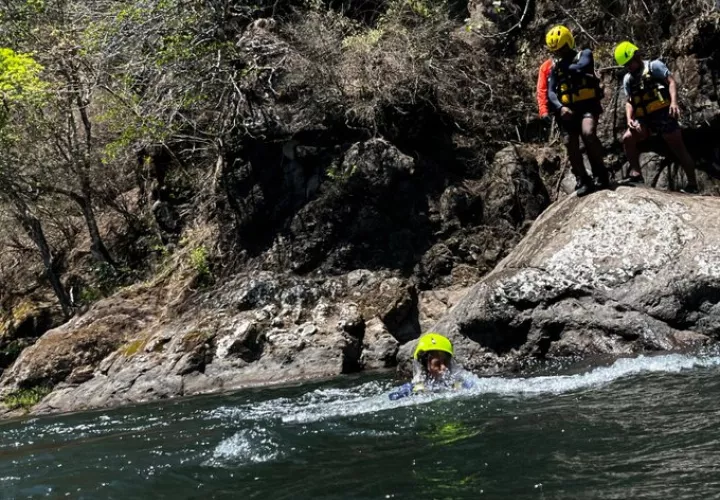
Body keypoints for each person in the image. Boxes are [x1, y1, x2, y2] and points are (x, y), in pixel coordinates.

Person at [614, 41, 699, 193]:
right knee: (627, 138)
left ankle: (692, 185)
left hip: (663, 114)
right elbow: (629, 102)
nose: (628, 67)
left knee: (679, 149)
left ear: (636, 55)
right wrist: (629, 120)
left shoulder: (655, 66)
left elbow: (671, 82)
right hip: (644, 119)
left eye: (629, 63)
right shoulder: (628, 79)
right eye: (625, 65)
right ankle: (636, 174)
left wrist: (674, 103)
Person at [546, 25, 610, 196]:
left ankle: (601, 173)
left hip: (587, 106)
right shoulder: (554, 68)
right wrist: (560, 107)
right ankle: (582, 178)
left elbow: (581, 68)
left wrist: (563, 67)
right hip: (567, 110)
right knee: (569, 143)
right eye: (557, 50)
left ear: (569, 42)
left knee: (588, 133)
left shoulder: (585, 54)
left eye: (562, 48)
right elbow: (551, 92)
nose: (560, 52)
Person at [388, 333, 474, 401]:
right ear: (424, 366)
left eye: (446, 362)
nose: (443, 367)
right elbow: (392, 398)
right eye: (437, 364)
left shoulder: (461, 384)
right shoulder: (411, 389)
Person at [537, 57, 554, 122]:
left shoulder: (578, 59)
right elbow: (541, 90)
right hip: (557, 109)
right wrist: (543, 110)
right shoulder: (546, 67)